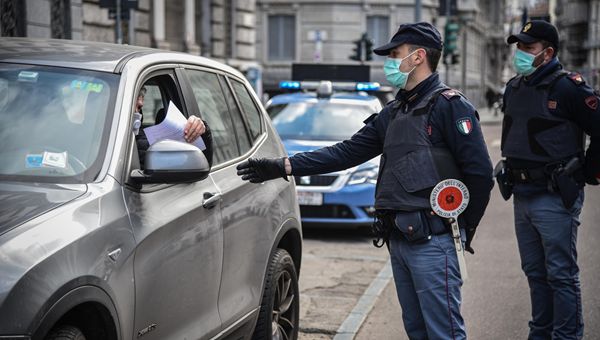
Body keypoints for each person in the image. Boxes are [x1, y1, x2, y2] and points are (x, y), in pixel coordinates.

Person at [237, 22, 494, 339]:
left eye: (395, 54)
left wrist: (460, 229)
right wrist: (283, 165)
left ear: (418, 57)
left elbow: (481, 175)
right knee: (417, 330)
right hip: (399, 238)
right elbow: (344, 153)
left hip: (433, 241)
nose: (388, 62)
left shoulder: (450, 107)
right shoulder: (395, 111)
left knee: (444, 333)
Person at [497, 20, 600, 339]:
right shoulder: (514, 86)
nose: (521, 53)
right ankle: (540, 332)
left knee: (560, 274)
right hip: (522, 194)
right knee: (535, 273)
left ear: (548, 52)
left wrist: (586, 173)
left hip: (554, 195)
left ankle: (566, 336)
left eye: (528, 47)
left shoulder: (569, 87)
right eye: (519, 47)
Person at [133, 86, 210, 168]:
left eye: (139, 107)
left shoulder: (145, 139)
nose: (140, 103)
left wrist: (201, 131)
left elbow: (201, 165)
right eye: (134, 97)